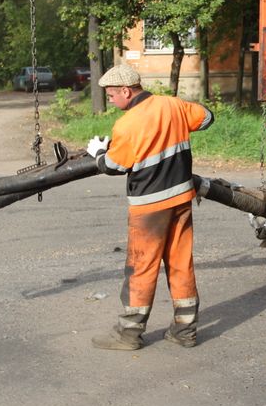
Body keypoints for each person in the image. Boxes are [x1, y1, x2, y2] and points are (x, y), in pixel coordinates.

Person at [86, 64, 214, 350]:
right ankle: (185, 331)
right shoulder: (173, 105)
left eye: (111, 95)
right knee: (181, 264)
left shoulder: (127, 124)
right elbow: (207, 117)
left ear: (126, 91)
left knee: (141, 266)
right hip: (181, 199)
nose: (110, 99)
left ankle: (128, 334)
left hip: (149, 207)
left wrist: (98, 154)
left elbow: (115, 165)